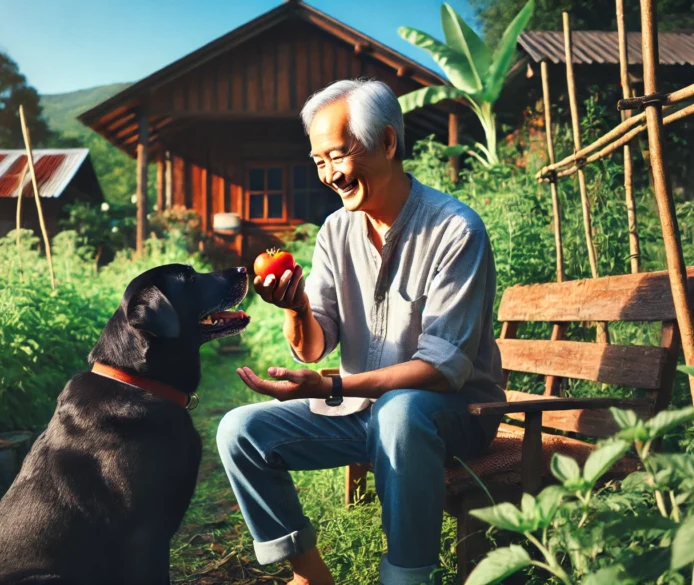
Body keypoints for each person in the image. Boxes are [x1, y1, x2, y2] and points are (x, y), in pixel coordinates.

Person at [216, 78, 505, 585]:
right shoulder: (335, 231)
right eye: (319, 161)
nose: (329, 174)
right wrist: (296, 308)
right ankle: (310, 574)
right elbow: (314, 347)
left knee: (400, 412)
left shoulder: (456, 231)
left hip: (457, 416)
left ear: (387, 142)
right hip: (362, 412)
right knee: (239, 431)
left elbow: (442, 370)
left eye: (338, 155)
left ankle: (407, 577)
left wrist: (332, 385)